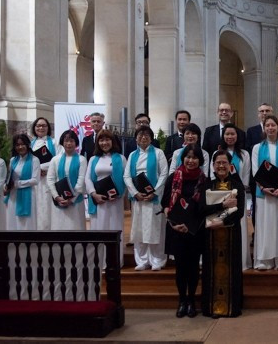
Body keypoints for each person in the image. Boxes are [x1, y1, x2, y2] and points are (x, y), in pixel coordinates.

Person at [161, 144, 209, 318]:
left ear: (200, 161)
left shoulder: (204, 180)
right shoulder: (173, 177)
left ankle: (191, 301)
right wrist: (173, 222)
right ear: (183, 159)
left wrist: (191, 225)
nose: (191, 160)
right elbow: (165, 204)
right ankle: (182, 300)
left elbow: (204, 207)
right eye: (188, 157)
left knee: (194, 267)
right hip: (176, 229)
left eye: (194, 157)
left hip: (195, 231)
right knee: (180, 268)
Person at [201, 150, 245, 317]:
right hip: (210, 235)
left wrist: (222, 221)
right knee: (211, 270)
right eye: (218, 163)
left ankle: (232, 307)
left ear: (230, 165)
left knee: (231, 269)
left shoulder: (237, 186)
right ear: (213, 166)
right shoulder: (206, 186)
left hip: (231, 233)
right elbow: (202, 209)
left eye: (224, 163)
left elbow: (239, 211)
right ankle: (210, 307)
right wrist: (223, 205)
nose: (221, 166)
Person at [252, 115, 278, 271]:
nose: (270, 128)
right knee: (265, 225)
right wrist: (264, 188)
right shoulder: (257, 148)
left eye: (273, 125)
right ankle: (265, 259)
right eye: (267, 125)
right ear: (264, 128)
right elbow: (255, 170)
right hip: (263, 194)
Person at [125, 126, 169, 271]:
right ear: (136, 138)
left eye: (146, 135)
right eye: (140, 135)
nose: (143, 138)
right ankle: (142, 260)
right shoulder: (132, 155)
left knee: (155, 229)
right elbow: (126, 176)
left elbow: (164, 174)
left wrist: (155, 192)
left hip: (153, 198)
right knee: (139, 229)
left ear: (151, 138)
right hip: (138, 197)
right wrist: (134, 192)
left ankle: (157, 259)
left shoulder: (158, 153)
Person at [245, 103, 278, 241]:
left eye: (267, 110)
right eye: (262, 111)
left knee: (277, 211)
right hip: (259, 179)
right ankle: (259, 235)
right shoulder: (251, 131)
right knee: (259, 209)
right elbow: (249, 149)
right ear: (258, 114)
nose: (264, 113)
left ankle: (276, 237)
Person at [85, 129, 128, 263]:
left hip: (115, 200)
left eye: (107, 139)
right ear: (98, 142)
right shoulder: (93, 159)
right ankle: (99, 262)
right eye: (101, 140)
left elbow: (126, 179)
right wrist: (94, 194)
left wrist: (119, 194)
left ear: (112, 141)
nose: (105, 143)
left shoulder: (121, 158)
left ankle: (115, 262)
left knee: (115, 229)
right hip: (98, 201)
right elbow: (87, 179)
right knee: (99, 229)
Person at [216, 123, 252, 269]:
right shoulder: (216, 154)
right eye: (227, 134)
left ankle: (241, 261)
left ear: (237, 136)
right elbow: (213, 175)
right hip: (221, 196)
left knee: (239, 226)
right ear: (223, 136)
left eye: (233, 134)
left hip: (239, 196)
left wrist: (238, 191)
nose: (230, 137)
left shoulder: (244, 154)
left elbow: (246, 176)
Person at [46, 130, 87, 230]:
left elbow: (81, 180)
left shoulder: (82, 159)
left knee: (76, 227)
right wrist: (56, 197)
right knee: (59, 227)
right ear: (62, 143)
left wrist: (71, 199)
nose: (69, 144)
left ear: (76, 143)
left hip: (76, 201)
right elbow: (50, 179)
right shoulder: (55, 159)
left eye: (71, 141)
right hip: (59, 199)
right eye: (66, 141)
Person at [5, 134, 40, 231]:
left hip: (28, 194)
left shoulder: (34, 160)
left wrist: (17, 184)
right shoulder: (13, 160)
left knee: (26, 221)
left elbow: (35, 180)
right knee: (12, 218)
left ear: (28, 144)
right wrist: (6, 185)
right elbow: (9, 177)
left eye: (22, 144)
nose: (20, 147)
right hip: (13, 195)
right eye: (17, 145)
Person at [30, 117, 56, 230]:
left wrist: (43, 169)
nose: (41, 128)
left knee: (47, 205)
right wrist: (37, 170)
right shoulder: (30, 144)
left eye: (44, 125)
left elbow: (58, 160)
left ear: (48, 128)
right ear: (34, 128)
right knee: (36, 205)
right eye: (38, 126)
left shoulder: (55, 142)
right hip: (34, 181)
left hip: (48, 179)